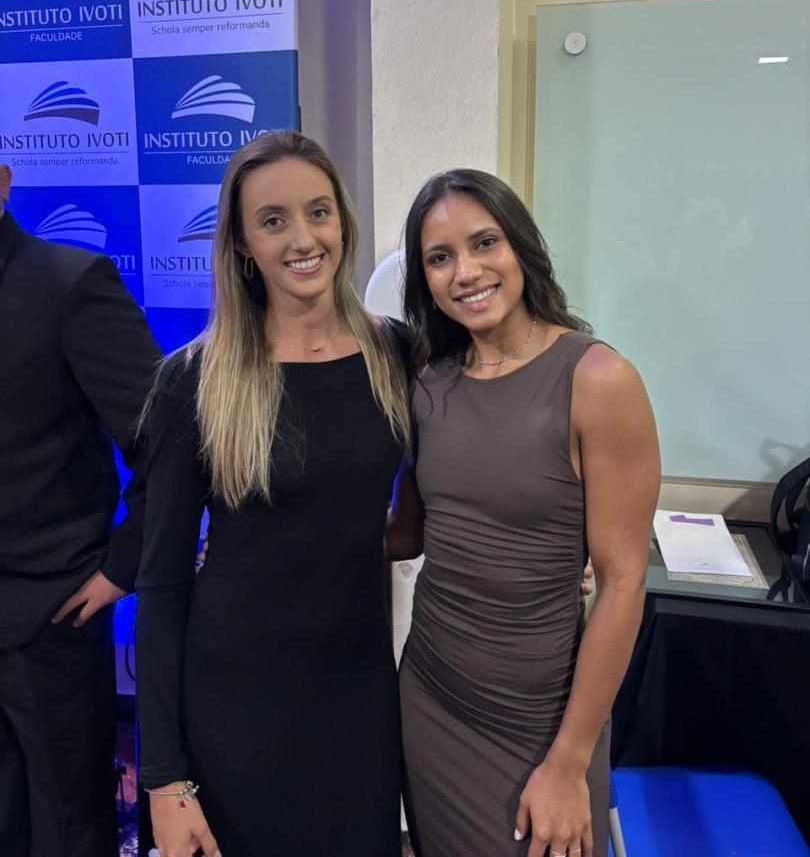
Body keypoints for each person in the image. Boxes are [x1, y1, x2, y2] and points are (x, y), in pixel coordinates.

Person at [136, 131, 412, 857]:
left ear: (342, 220)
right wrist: (163, 779)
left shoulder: (397, 355)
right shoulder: (194, 382)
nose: (303, 239)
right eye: (273, 220)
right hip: (236, 716)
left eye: (318, 212)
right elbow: (161, 585)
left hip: (359, 704)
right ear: (240, 243)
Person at [390, 169, 660, 857]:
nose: (466, 272)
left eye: (485, 243)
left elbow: (623, 583)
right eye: (440, 257)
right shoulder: (429, 381)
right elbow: (408, 534)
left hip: (543, 723)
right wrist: (260, 546)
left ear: (521, 247)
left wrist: (569, 762)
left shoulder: (598, 380)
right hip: (431, 695)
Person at [0, 163, 161, 857]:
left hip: (49, 623)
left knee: (64, 829)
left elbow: (166, 443)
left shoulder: (70, 283)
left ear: (2, 180)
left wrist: (122, 567)